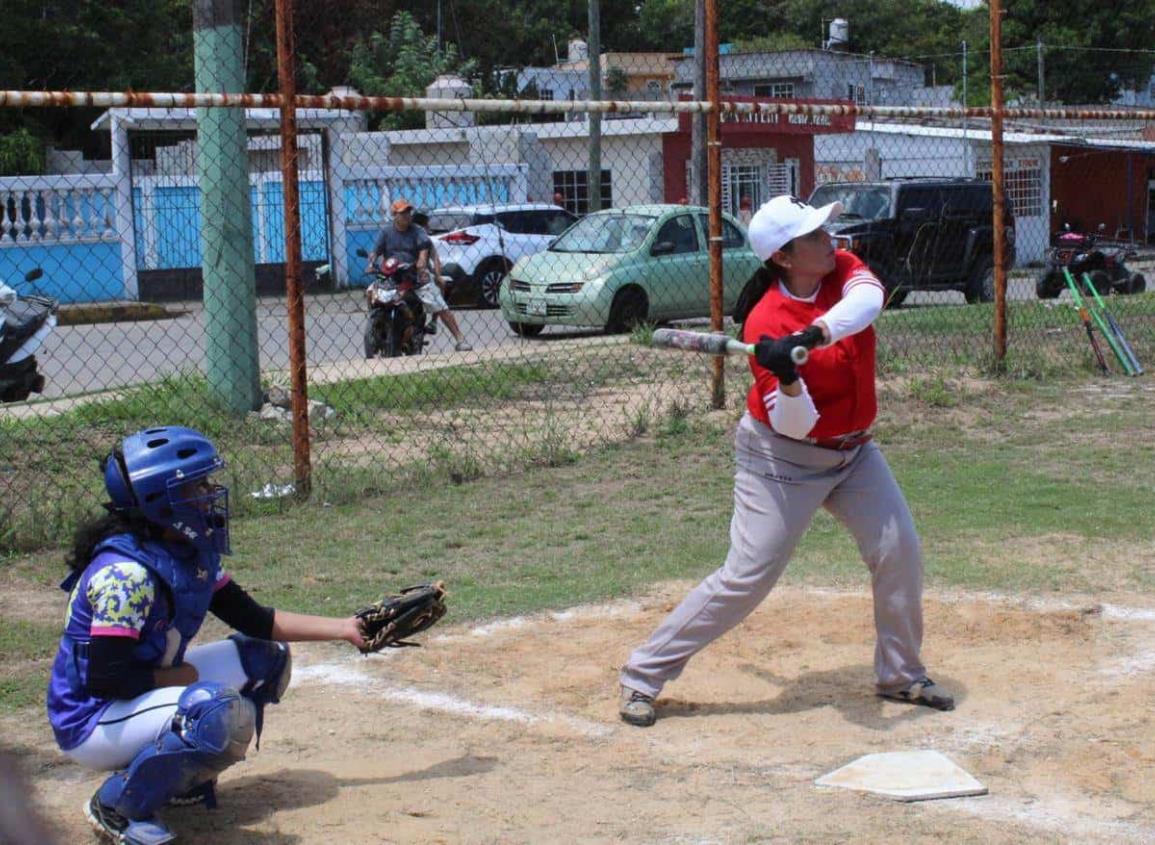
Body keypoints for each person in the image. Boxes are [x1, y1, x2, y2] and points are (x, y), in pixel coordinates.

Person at [618, 194, 954, 727]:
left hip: (854, 451)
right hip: (782, 459)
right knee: (747, 577)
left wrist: (814, 335)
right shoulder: (763, 323)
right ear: (783, 257)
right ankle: (643, 674)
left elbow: (870, 301)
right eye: (815, 236)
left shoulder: (842, 269)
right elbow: (796, 423)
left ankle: (899, 674)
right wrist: (790, 375)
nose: (830, 240)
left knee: (899, 550)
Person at [47, 426, 370, 844]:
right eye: (196, 486)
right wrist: (177, 679)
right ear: (161, 502)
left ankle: (177, 782)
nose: (210, 492)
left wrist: (346, 628)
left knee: (265, 658)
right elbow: (104, 679)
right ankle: (115, 807)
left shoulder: (185, 548)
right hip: (94, 720)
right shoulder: (126, 575)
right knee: (212, 711)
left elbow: (253, 618)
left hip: (140, 690)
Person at [367, 198, 472, 352]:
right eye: (403, 213)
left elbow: (424, 250)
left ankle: (460, 339)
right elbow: (375, 251)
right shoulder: (386, 232)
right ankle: (377, 326)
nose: (407, 216)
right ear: (394, 215)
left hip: (414, 277)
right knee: (371, 292)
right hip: (391, 278)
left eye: (409, 212)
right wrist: (371, 263)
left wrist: (421, 264)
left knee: (439, 304)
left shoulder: (417, 231)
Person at [411, 209, 448, 336]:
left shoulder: (426, 240)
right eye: (426, 225)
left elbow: (435, 258)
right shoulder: (406, 236)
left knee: (440, 285)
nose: (428, 228)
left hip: (423, 275)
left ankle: (433, 321)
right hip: (406, 274)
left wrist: (438, 276)